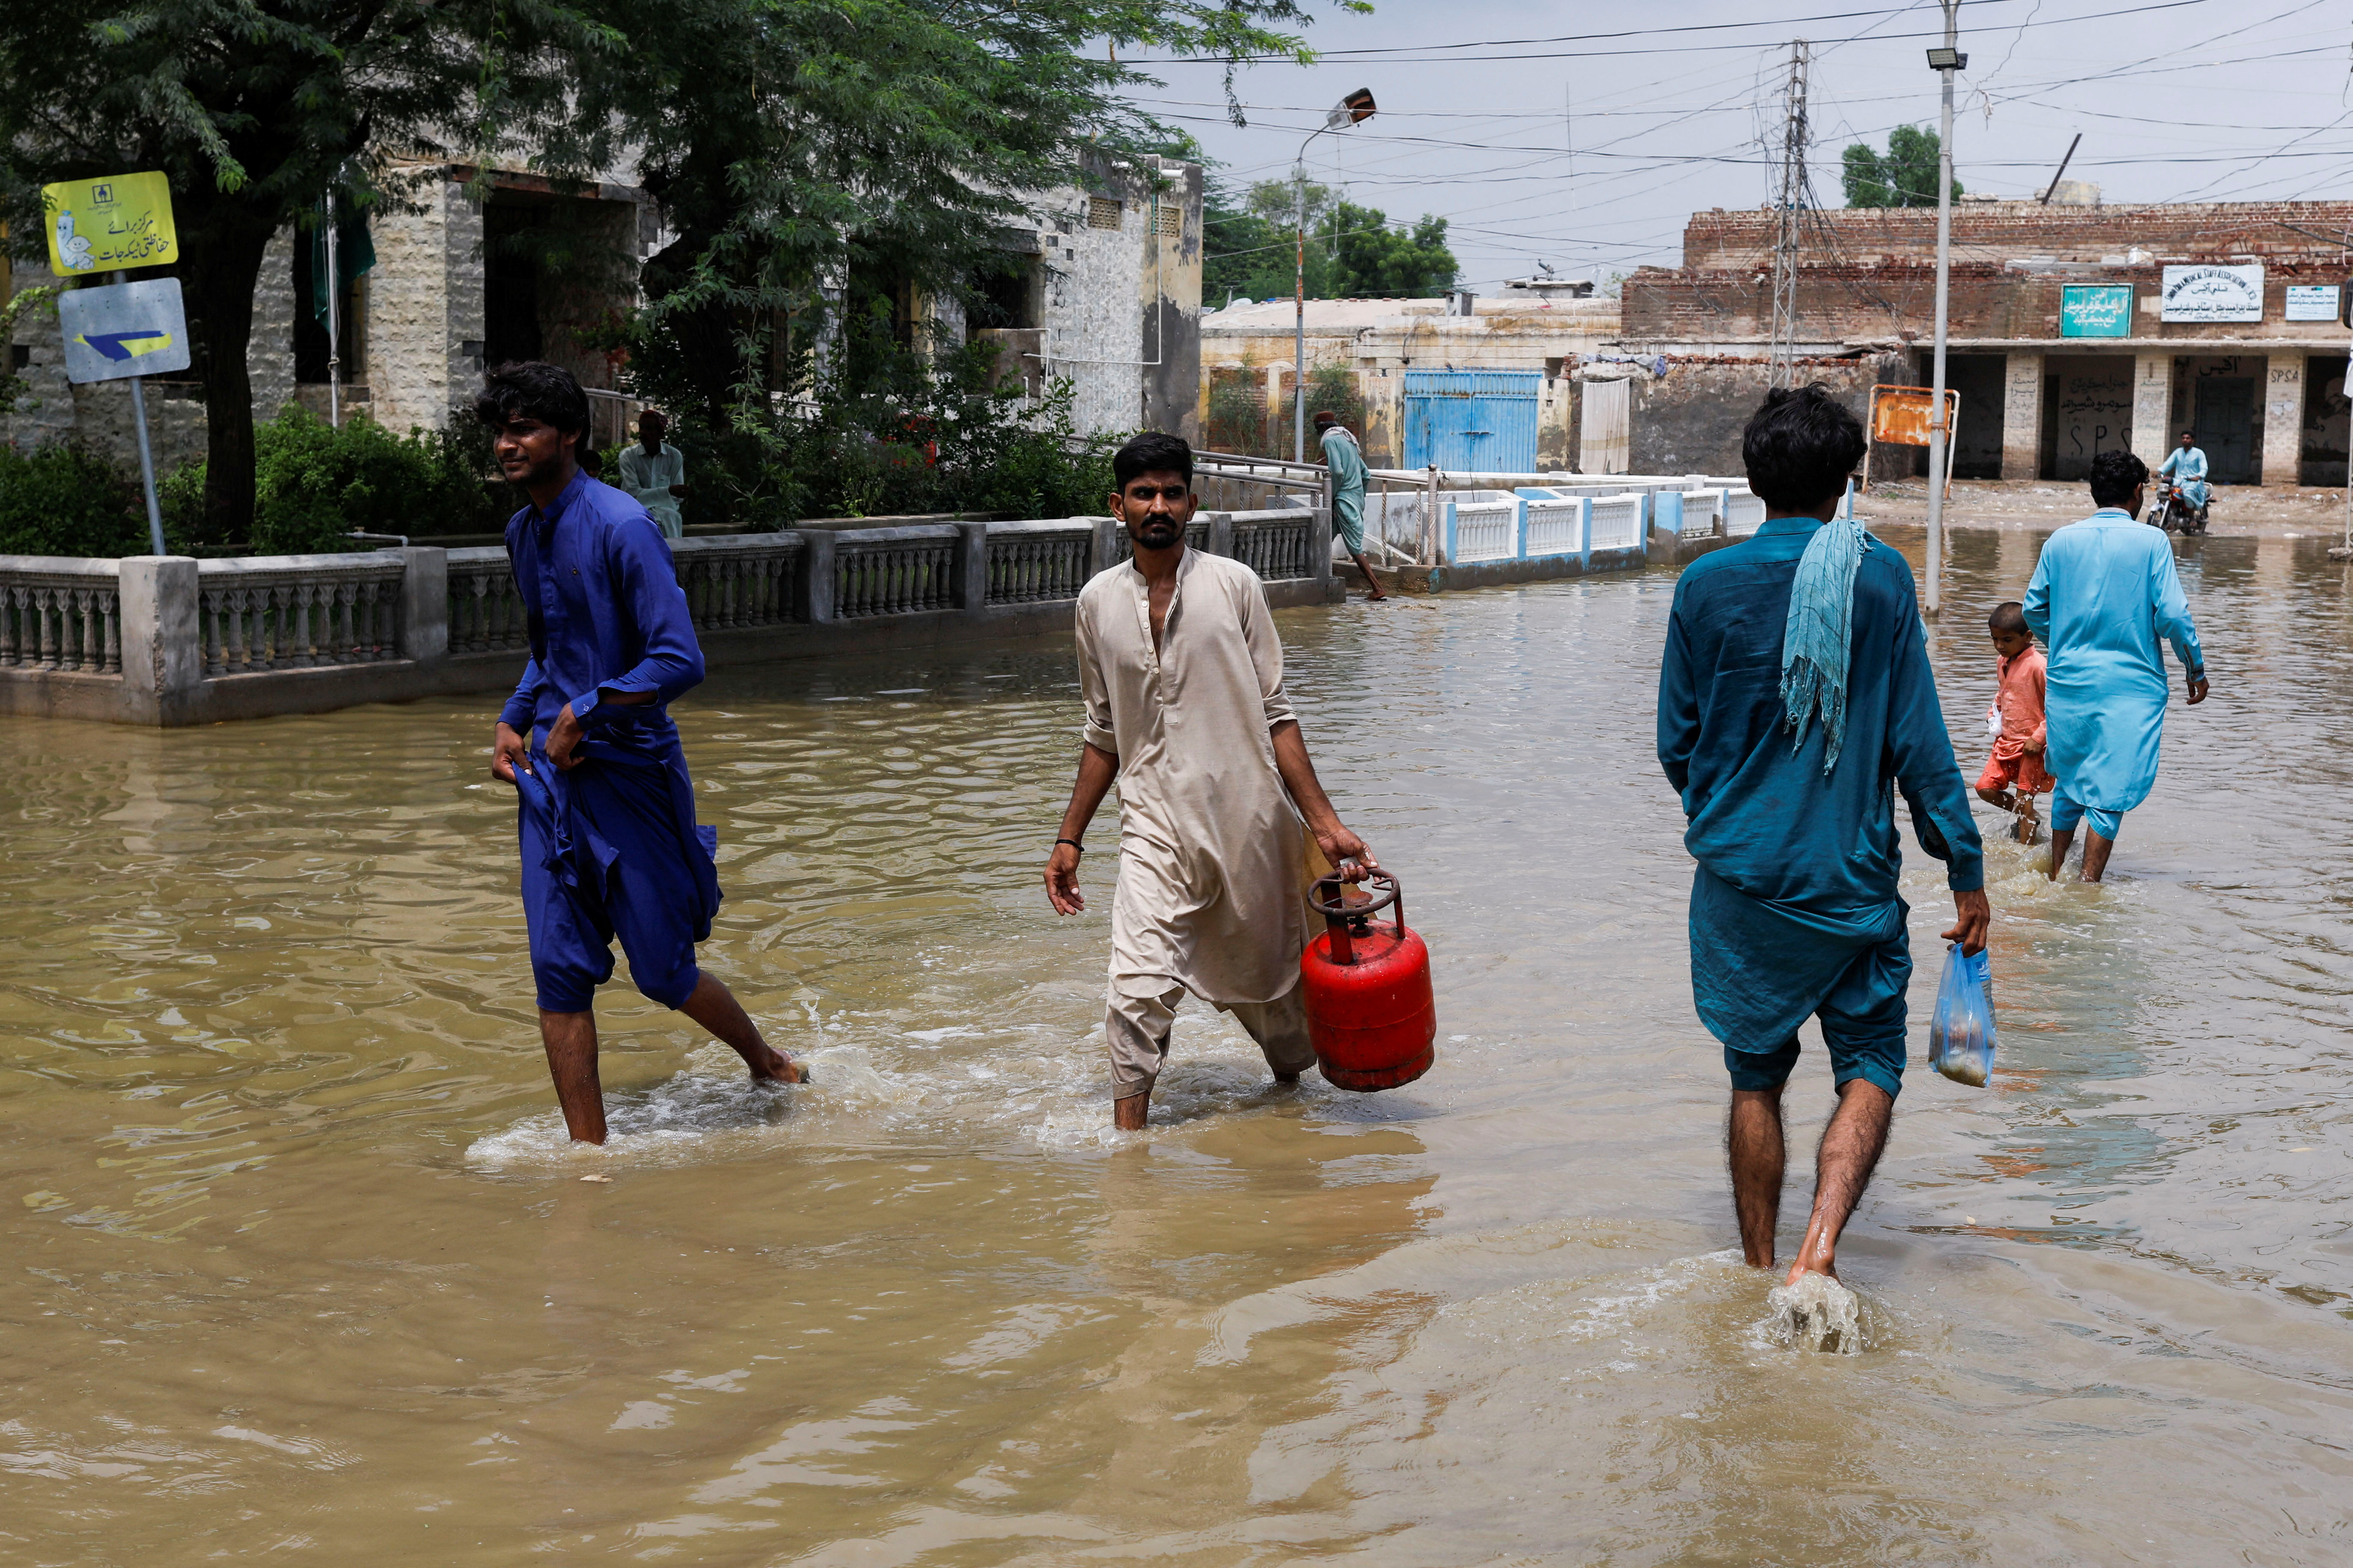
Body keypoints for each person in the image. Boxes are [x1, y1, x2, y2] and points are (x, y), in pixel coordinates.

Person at [1657, 384, 1988, 1286]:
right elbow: (1919, 745)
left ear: (1753, 476)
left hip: (1738, 884)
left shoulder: (1701, 586)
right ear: (1846, 479)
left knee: (1753, 1077)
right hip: (1845, 883)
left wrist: (1738, 815)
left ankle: (1759, 1267)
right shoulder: (1875, 576)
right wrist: (1965, 868)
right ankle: (1819, 1250)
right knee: (1871, 1062)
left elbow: (1675, 746)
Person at [482, 362, 805, 1144]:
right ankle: (587, 1164)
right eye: (501, 431)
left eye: (524, 429)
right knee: (558, 972)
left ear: (570, 436)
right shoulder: (524, 530)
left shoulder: (624, 526)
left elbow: (679, 659)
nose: (507, 445)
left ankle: (762, 1060)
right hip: (554, 783)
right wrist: (517, 715)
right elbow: (553, 645)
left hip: (633, 774)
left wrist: (586, 712)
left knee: (662, 971)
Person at [1044, 431, 1378, 1130]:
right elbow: (1103, 732)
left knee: (1283, 1022)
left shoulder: (1235, 588)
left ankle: (1291, 1103)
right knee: (1134, 991)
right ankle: (1128, 1153)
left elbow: (1278, 717)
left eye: (1170, 492)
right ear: (1119, 506)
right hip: (1155, 830)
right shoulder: (1097, 604)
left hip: (1249, 828)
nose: (1157, 505)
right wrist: (1069, 838)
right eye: (1143, 494)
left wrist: (1326, 825)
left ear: (1192, 504)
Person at [2024, 448, 2210, 884]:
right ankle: (2087, 889)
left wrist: (2065, 642)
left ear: (2094, 491)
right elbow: (2173, 616)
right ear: (2137, 492)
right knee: (2109, 790)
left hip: (2069, 681)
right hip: (2130, 688)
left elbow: (2033, 610)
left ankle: (2055, 877)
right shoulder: (2151, 541)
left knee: (2070, 781)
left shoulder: (2060, 541)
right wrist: (2194, 668)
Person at [1974, 601, 2050, 842]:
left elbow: (2058, 708)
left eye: (2007, 640)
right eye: (1995, 639)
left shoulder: (2039, 666)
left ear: (2027, 636)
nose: (1999, 646)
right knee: (1985, 789)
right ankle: (2031, 818)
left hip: (2031, 746)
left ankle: (2025, 855)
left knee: (2025, 799)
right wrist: (1992, 715)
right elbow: (2003, 695)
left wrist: (2039, 738)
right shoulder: (2003, 662)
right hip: (2006, 741)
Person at [1313, 409, 1388, 601]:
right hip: (1354, 498)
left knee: (1354, 547)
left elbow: (1337, 472)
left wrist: (1333, 497)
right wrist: (1359, 496)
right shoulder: (1348, 439)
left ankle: (1377, 588)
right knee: (1323, 537)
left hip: (1343, 500)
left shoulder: (1330, 441)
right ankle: (1312, 574)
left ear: (1320, 428)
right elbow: (1365, 475)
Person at [617, 409, 689, 540]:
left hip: (668, 517)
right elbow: (633, 493)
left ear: (661, 434)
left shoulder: (674, 456)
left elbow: (678, 497)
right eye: (642, 428)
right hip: (635, 515)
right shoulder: (627, 457)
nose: (643, 433)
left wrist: (662, 497)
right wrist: (667, 492)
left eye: (649, 429)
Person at [2155, 430, 2210, 524]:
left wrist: (2199, 476)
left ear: (2193, 440)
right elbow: (2168, 464)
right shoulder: (2178, 452)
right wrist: (2160, 471)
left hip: (2194, 482)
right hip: (2178, 481)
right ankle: (2169, 515)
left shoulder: (2199, 453)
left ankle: (2192, 517)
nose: (2185, 440)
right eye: (2183, 438)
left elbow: (2204, 468)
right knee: (2163, 492)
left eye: (2188, 438)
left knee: (2188, 494)